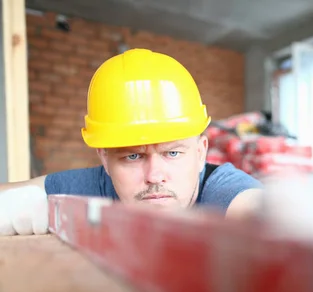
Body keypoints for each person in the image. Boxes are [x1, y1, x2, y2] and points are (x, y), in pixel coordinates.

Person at [0, 48, 263, 235]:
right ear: (104, 159)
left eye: (172, 153)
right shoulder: (101, 185)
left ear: (200, 152)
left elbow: (260, 213)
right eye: (133, 156)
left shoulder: (223, 190)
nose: (155, 176)